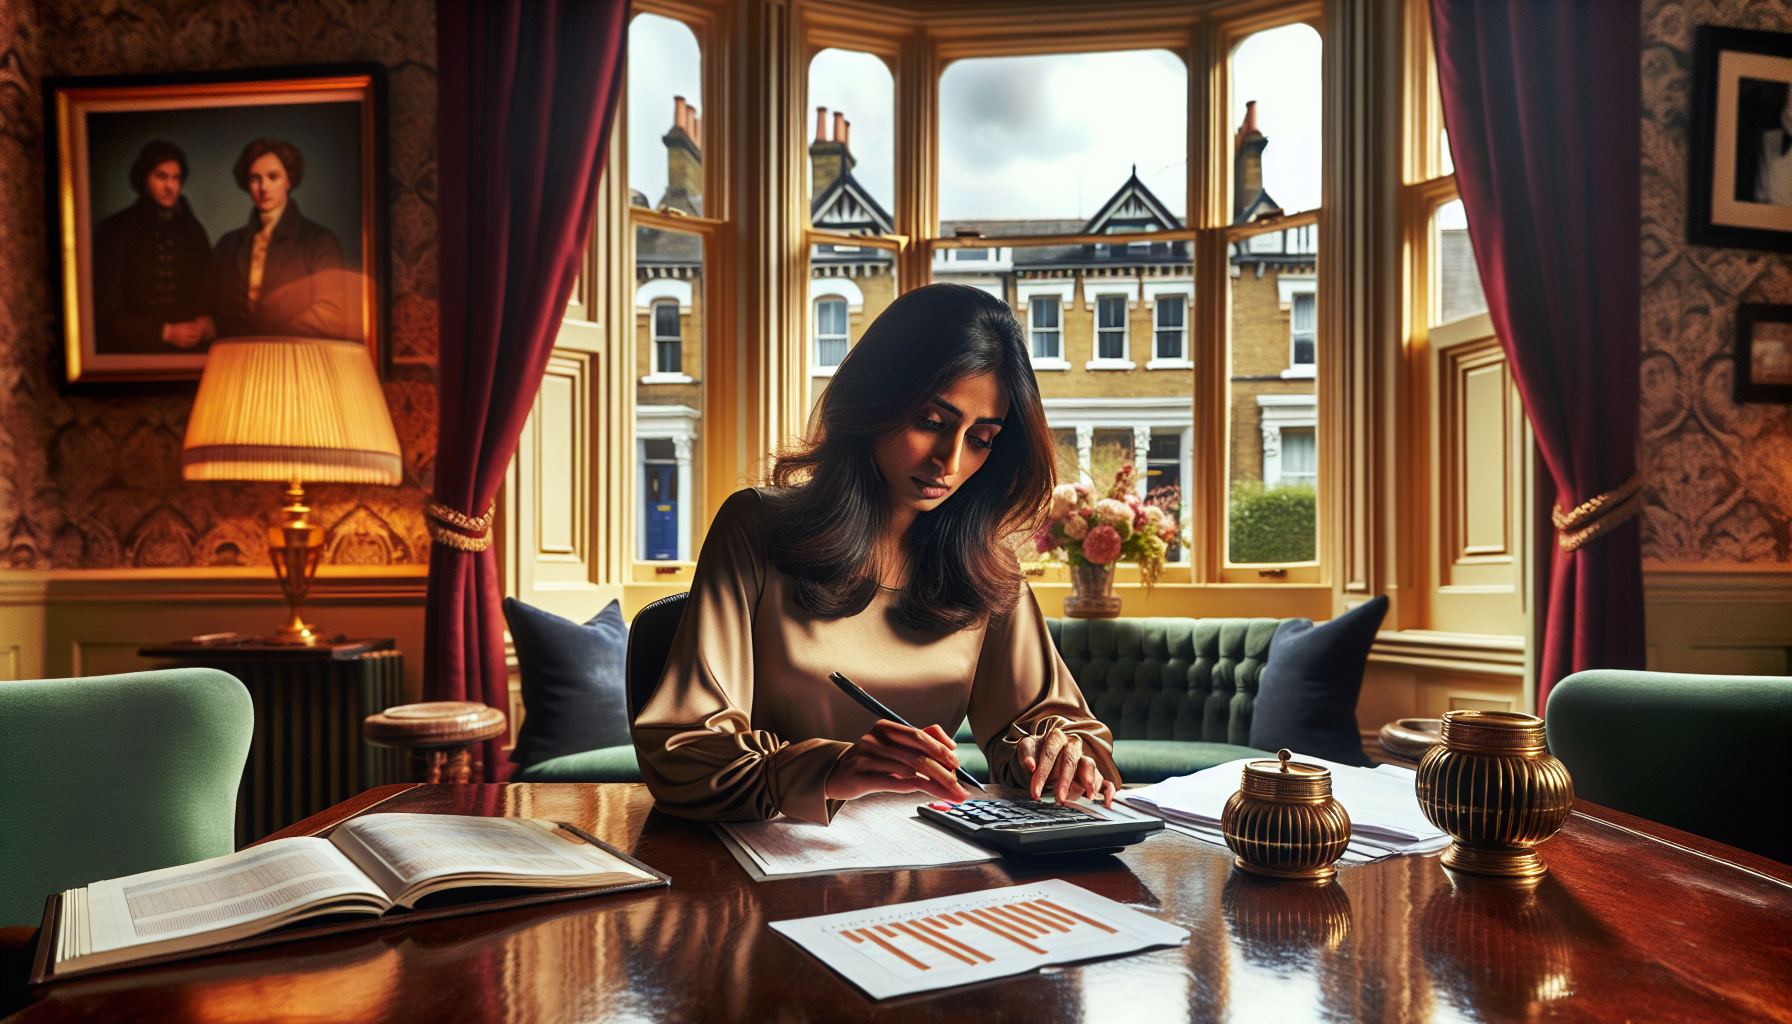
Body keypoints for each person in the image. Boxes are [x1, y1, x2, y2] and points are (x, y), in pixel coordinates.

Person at [632, 283, 1121, 824]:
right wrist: (829, 769)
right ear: (875, 400)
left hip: (930, 863)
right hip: (765, 855)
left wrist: (1059, 753)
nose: (950, 461)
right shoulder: (755, 528)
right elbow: (682, 750)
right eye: (932, 422)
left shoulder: (989, 568)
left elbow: (1053, 723)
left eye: (981, 437)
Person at [204, 138, 351, 340]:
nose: (264, 187)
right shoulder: (227, 245)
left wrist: (270, 339)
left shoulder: (319, 242)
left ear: (289, 180)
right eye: (255, 179)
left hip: (293, 362)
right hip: (235, 363)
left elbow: (330, 317)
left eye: (273, 177)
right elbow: (212, 313)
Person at [91, 141, 213, 353]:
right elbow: (105, 311)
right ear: (144, 179)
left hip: (189, 356)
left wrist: (206, 323)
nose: (170, 186)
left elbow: (209, 290)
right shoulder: (115, 229)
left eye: (176, 178)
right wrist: (164, 333)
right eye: (161, 176)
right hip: (132, 355)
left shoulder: (194, 231)